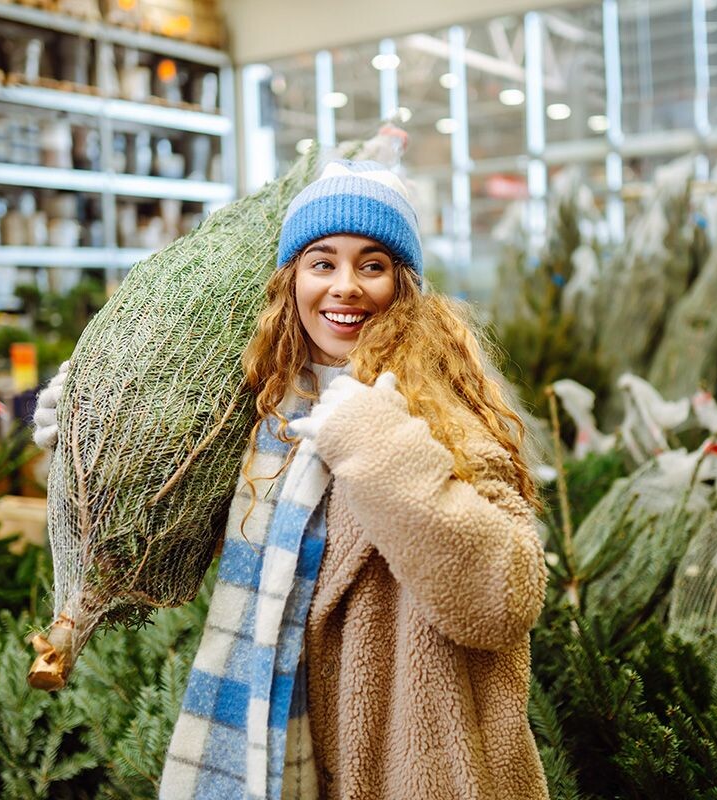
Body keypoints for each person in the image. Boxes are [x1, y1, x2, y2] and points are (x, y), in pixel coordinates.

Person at [34, 159, 549, 800]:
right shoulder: (274, 410)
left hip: (412, 761)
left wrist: (381, 446)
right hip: (281, 751)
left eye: (372, 264)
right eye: (322, 262)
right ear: (293, 280)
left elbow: (505, 599)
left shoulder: (442, 411)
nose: (346, 287)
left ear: (403, 285)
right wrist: (92, 429)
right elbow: (181, 545)